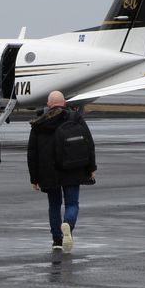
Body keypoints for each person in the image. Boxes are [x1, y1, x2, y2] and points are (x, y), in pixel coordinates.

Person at [27, 91, 96, 252]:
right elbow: (88, 143)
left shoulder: (39, 123)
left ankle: (57, 239)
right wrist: (91, 168)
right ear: (64, 103)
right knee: (72, 203)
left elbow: (32, 152)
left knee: (54, 205)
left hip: (48, 171)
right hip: (72, 168)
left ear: (49, 104)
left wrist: (34, 177)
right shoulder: (75, 118)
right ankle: (68, 225)